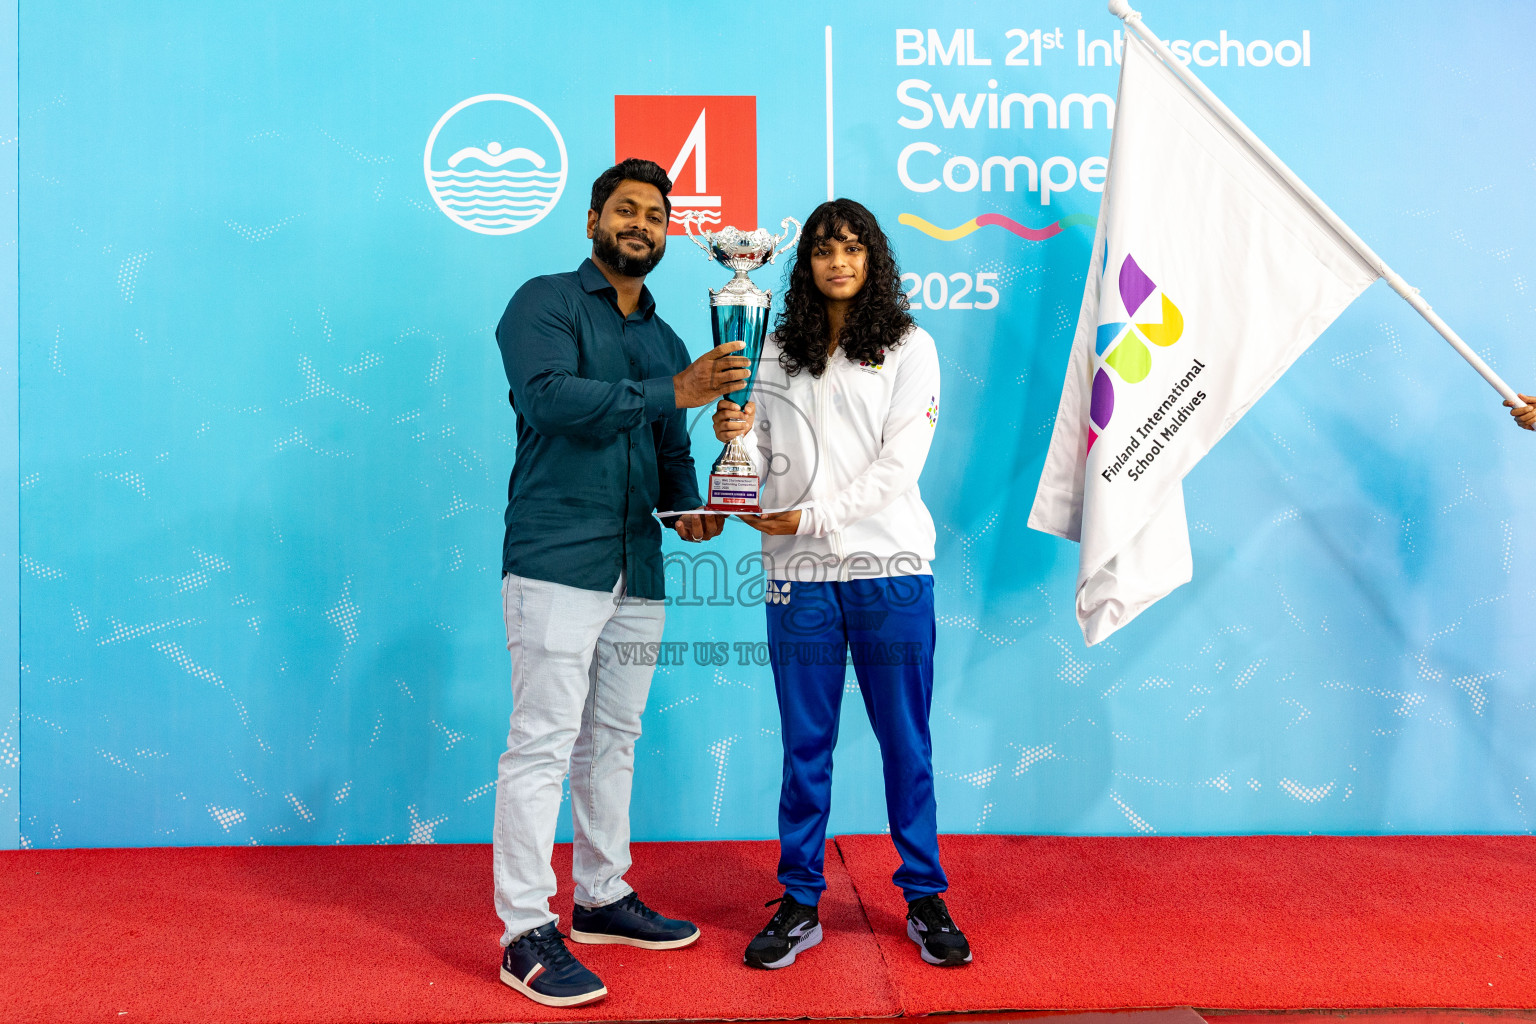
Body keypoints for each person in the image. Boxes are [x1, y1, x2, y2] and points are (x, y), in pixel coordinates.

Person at [492, 158, 751, 1008]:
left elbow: (673, 455)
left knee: (613, 739)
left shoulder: (670, 338)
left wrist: (698, 511)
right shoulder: (545, 302)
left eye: (656, 215)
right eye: (626, 210)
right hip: (558, 558)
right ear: (594, 220)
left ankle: (601, 896)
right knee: (543, 741)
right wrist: (670, 390)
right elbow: (549, 400)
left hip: (641, 565)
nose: (642, 224)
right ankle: (525, 932)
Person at [712, 198, 971, 971]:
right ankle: (799, 899)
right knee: (805, 745)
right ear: (807, 263)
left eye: (853, 248)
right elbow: (757, 455)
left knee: (905, 742)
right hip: (798, 576)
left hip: (888, 570)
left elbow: (900, 466)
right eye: (824, 248)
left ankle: (923, 895)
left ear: (873, 259)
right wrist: (736, 455)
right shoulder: (773, 349)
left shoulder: (909, 345)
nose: (838, 261)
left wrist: (813, 516)